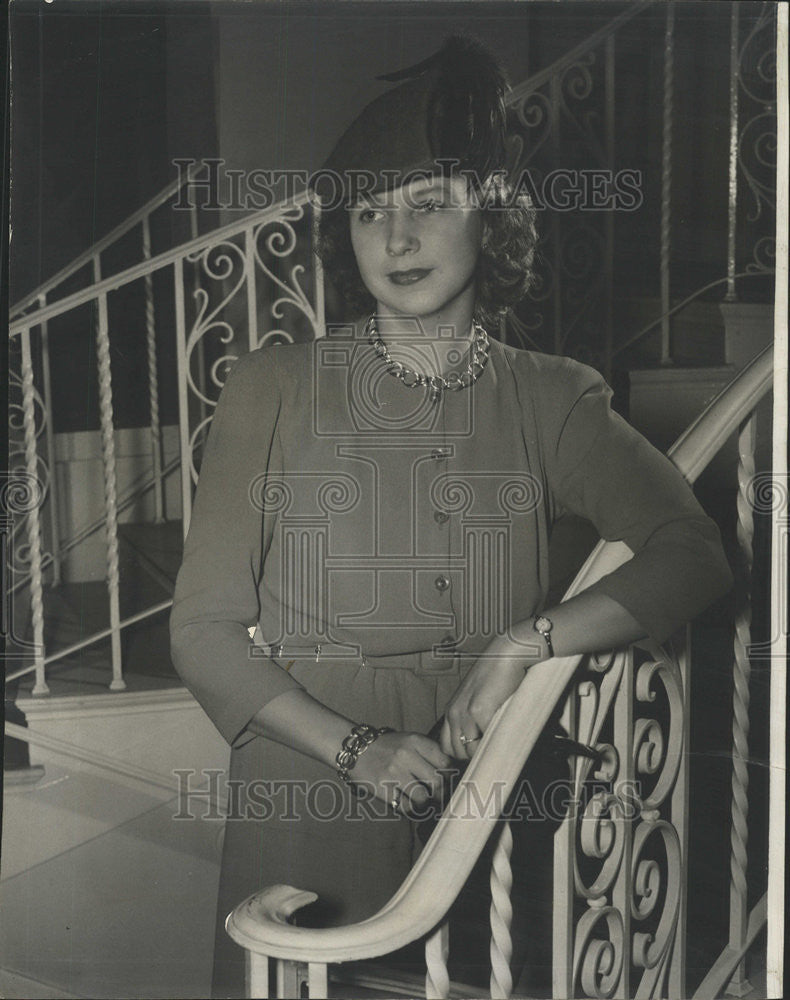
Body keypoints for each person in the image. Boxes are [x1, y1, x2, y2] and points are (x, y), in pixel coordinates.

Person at [170, 35, 733, 998]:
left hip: (490, 786)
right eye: (370, 215)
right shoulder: (271, 385)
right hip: (306, 790)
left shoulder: (552, 395)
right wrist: (358, 749)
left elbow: (694, 555)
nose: (395, 243)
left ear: (494, 217)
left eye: (427, 207)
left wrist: (526, 641)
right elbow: (203, 632)